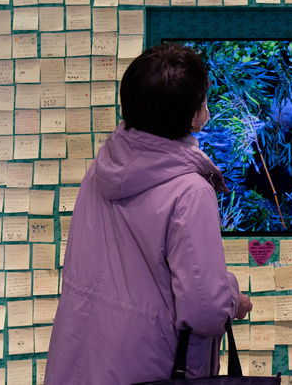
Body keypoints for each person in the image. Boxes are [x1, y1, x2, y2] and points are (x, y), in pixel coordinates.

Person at [45, 44, 251, 384]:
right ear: (187, 115)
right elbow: (205, 311)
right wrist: (232, 297)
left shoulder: (103, 167)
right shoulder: (191, 191)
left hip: (81, 359)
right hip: (150, 369)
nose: (208, 110)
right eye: (202, 101)